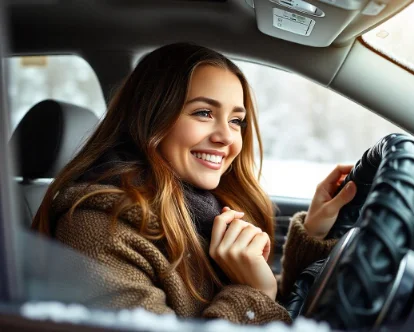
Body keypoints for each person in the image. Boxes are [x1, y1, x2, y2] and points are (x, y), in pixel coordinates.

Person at [31, 43, 357, 325]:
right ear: (151, 118)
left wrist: (314, 232)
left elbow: (275, 307)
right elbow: (259, 302)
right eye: (203, 113)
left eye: (236, 120)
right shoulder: (99, 231)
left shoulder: (202, 208)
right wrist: (252, 295)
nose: (226, 137)